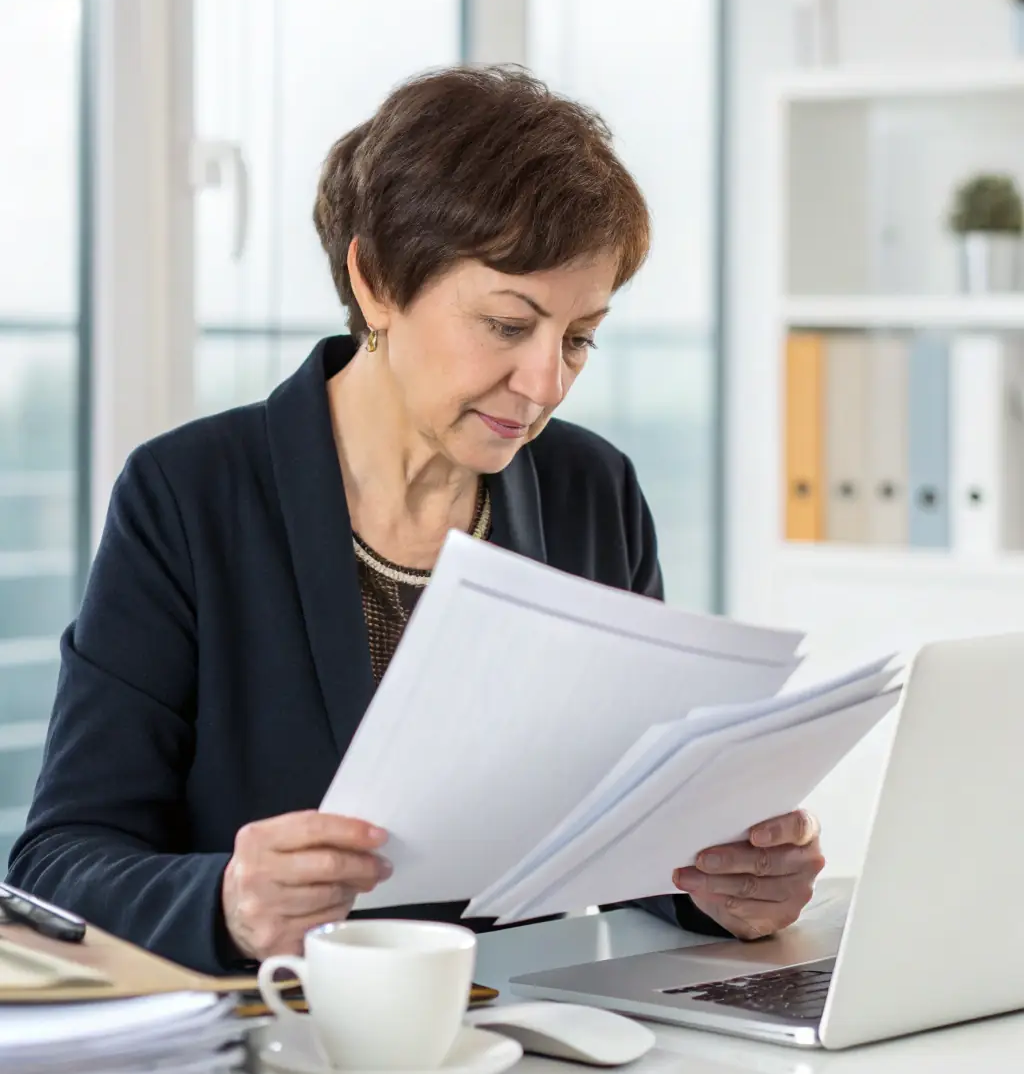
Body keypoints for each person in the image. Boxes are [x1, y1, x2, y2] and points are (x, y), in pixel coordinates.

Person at [8, 67, 823, 973]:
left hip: (538, 1051)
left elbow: (625, 830)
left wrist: (722, 887)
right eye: (511, 325)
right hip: (291, 1049)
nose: (547, 383)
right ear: (376, 281)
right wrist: (229, 902)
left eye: (580, 336)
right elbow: (57, 867)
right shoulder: (189, 495)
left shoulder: (594, 490)